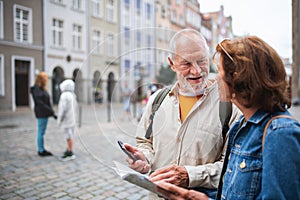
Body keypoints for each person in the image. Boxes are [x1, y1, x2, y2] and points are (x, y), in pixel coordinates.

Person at [154, 36, 300, 199]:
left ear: (240, 79)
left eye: (220, 71)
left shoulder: (280, 134)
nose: (216, 78)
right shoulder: (241, 126)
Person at [124, 29, 241, 199]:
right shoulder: (158, 100)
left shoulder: (229, 104)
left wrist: (189, 176)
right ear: (172, 63)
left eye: (202, 61)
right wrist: (144, 158)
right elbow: (145, 142)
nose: (196, 71)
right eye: (186, 64)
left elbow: (233, 167)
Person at [30, 72, 56, 157]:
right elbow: (41, 103)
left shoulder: (41, 89)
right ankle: (41, 150)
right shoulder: (37, 90)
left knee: (42, 131)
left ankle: (41, 149)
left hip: (44, 113)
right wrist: (52, 112)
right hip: (42, 113)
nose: (47, 80)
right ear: (42, 79)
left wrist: (51, 112)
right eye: (46, 78)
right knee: (41, 132)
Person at [57, 79, 78, 160]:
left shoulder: (65, 95)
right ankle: (69, 149)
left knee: (68, 136)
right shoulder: (72, 95)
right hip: (72, 119)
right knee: (70, 135)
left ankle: (70, 152)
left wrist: (59, 119)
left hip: (67, 119)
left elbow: (62, 109)